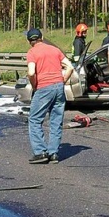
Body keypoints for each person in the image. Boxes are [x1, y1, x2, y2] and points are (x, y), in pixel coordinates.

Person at [25, 28, 74, 164]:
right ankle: (53, 153)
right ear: (42, 37)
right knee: (56, 120)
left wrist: (35, 85)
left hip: (43, 88)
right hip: (58, 86)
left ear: (29, 41)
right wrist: (62, 80)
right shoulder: (54, 49)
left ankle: (40, 152)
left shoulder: (32, 52)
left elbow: (30, 72)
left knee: (35, 119)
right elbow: (69, 67)